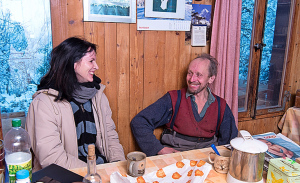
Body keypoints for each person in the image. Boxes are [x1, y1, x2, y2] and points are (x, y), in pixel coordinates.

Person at [26, 37, 125, 171]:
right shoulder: (43, 103)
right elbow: (52, 159)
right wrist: (94, 175)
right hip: (67, 177)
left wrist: (117, 167)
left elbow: (111, 136)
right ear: (73, 64)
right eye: (91, 61)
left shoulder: (98, 96)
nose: (96, 66)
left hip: (101, 171)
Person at [130, 54, 238, 156]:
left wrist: (219, 158)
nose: (192, 79)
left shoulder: (221, 106)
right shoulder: (173, 99)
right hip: (176, 158)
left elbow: (229, 141)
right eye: (190, 73)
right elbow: (139, 122)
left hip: (207, 158)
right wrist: (159, 149)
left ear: (211, 78)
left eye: (198, 75)